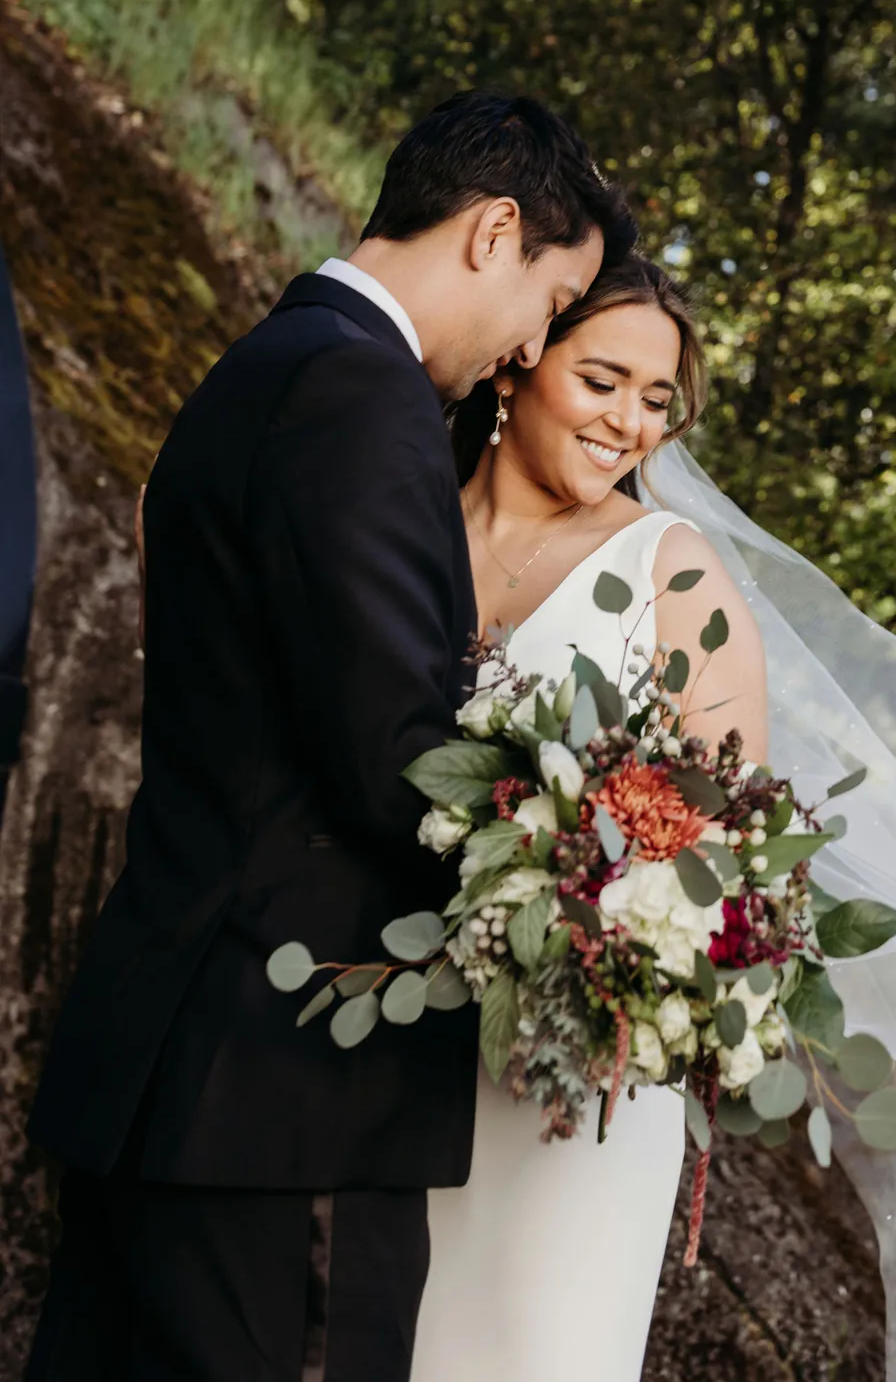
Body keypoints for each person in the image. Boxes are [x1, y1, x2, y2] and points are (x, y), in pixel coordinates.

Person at [25, 90, 635, 1382]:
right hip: (284, 1100)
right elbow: (394, 750)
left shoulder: (268, 364)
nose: (529, 351)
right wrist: (596, 889)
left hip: (172, 1067)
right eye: (549, 301)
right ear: (493, 232)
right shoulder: (361, 395)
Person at [410, 255, 764, 1382]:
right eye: (604, 380)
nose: (630, 423)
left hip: (572, 1082)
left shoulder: (672, 574)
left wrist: (591, 937)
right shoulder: (401, 530)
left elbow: (724, 855)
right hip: (392, 1046)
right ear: (520, 364)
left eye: (655, 400)